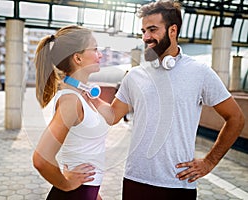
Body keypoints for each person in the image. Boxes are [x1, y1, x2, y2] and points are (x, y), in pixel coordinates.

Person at [91, 1, 245, 199]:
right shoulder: (134, 76)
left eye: (152, 29)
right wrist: (86, 94)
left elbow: (236, 118)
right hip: (135, 180)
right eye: (144, 30)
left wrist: (209, 162)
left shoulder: (200, 72)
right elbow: (112, 117)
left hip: (178, 184)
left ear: (173, 30)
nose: (146, 37)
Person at [32, 25, 108, 200]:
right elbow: (41, 159)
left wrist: (95, 195)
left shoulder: (80, 95)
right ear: (78, 58)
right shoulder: (71, 101)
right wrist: (67, 184)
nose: (100, 54)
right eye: (95, 49)